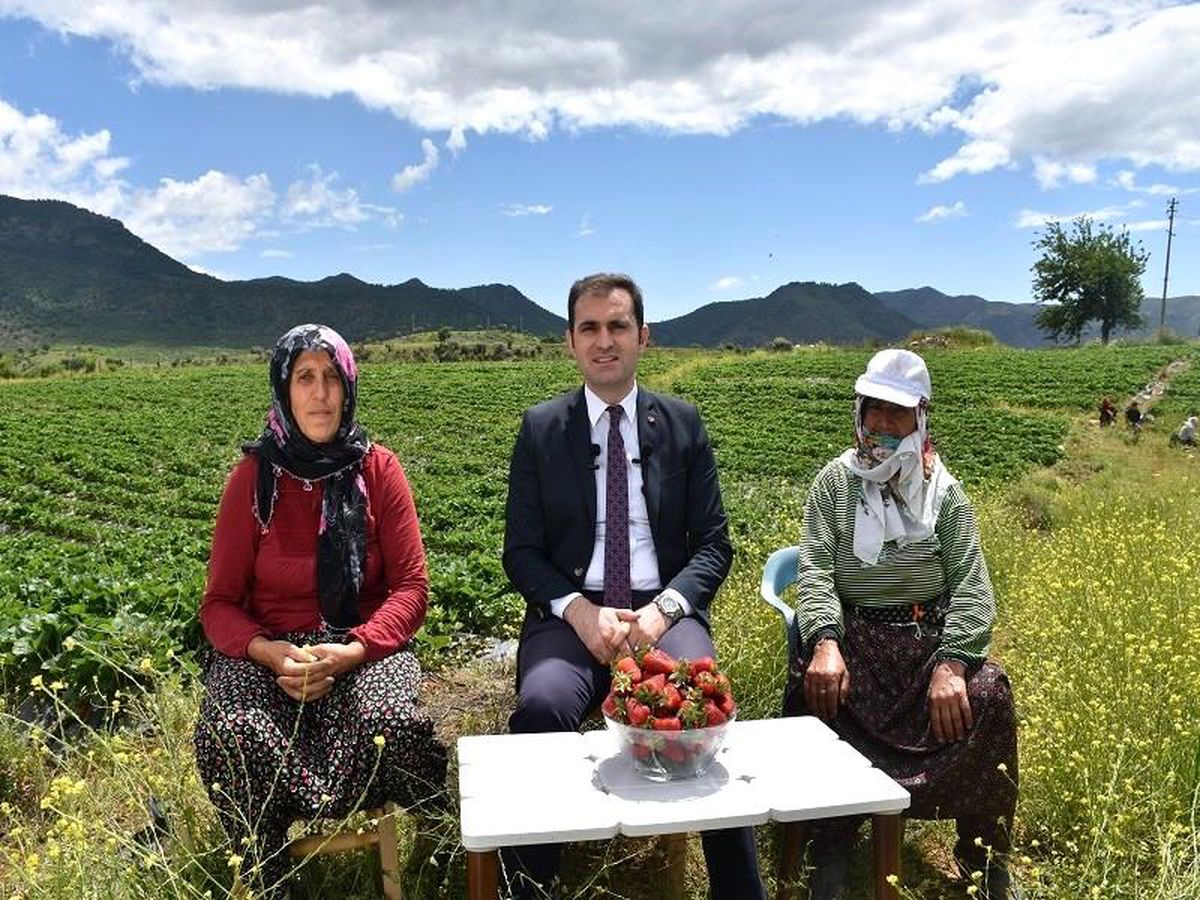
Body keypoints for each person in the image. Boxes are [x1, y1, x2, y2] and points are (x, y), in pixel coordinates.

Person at [502, 273, 766, 899]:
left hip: (662, 614)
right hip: (572, 618)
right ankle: (530, 886)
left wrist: (662, 613)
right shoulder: (541, 429)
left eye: (617, 325)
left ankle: (738, 891)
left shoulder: (682, 425)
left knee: (701, 714)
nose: (604, 341)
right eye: (589, 328)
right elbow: (521, 553)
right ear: (570, 341)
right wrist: (577, 612)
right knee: (541, 707)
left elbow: (712, 545)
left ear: (643, 337)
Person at [193, 324, 447, 896]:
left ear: (349, 385)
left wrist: (354, 650)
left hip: (358, 642)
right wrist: (268, 652)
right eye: (305, 377)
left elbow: (410, 588)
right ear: (284, 389)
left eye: (332, 376)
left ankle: (440, 832)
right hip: (270, 653)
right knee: (228, 733)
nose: (320, 393)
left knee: (393, 725)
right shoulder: (250, 482)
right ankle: (269, 872)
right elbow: (219, 606)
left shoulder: (379, 470)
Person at [789, 349, 1019, 900]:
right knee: (812, 690)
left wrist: (952, 664)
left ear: (921, 419)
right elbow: (816, 568)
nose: (884, 426)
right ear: (860, 413)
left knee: (990, 695)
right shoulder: (834, 484)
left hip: (926, 647)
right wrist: (824, 641)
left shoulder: (945, 494)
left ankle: (981, 853)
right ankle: (832, 836)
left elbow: (972, 584)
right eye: (875, 411)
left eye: (898, 414)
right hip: (857, 641)